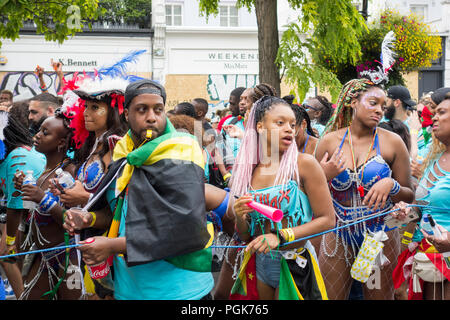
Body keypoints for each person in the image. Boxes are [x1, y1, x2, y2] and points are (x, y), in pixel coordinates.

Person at [63, 79, 215, 300]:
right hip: (130, 289)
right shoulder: (123, 154)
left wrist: (112, 246)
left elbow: (184, 228)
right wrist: (89, 219)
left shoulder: (183, 152)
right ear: (126, 114)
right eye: (142, 110)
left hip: (181, 291)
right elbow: (119, 213)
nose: (152, 117)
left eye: (158, 109)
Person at [315, 78, 414, 300]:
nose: (379, 110)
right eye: (373, 103)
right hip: (339, 234)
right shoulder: (329, 142)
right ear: (353, 102)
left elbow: (410, 194)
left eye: (383, 106)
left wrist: (391, 184)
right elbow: (309, 193)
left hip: (379, 236)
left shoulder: (392, 142)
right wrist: (323, 176)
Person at [229, 95, 334, 300]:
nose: (289, 129)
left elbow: (327, 220)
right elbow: (244, 235)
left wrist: (280, 236)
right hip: (260, 263)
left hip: (295, 263)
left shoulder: (303, 164)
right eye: (280, 123)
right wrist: (240, 216)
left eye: (292, 124)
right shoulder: (248, 171)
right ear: (259, 126)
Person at [13, 109, 82, 300]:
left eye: (45, 133)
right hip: (43, 255)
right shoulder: (45, 172)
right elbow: (31, 214)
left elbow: (73, 221)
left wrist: (41, 197)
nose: (37, 135)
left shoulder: (70, 171)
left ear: (61, 143)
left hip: (67, 256)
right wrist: (26, 191)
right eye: (40, 130)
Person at [390, 90, 450, 300]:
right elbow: (419, 208)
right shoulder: (435, 158)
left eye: (442, 112)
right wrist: (400, 214)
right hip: (425, 257)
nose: (433, 116)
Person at [0, 111, 46, 299]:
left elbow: (15, 209)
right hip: (22, 212)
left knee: (5, 254)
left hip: (37, 215)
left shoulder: (18, 159)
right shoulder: (8, 156)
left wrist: (9, 242)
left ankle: (22, 296)